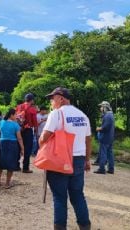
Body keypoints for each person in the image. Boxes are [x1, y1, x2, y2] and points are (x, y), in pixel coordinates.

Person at [39, 87, 92, 230]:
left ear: (61, 98)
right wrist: (87, 160)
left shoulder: (56, 114)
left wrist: (41, 144)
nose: (51, 101)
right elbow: (88, 140)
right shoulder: (82, 115)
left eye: (52, 98)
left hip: (60, 161)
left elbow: (44, 137)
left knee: (59, 197)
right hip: (79, 160)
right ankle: (85, 226)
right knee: (78, 195)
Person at [0, 108, 24, 188]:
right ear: (11, 115)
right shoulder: (15, 125)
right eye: (15, 114)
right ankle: (7, 183)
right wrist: (22, 148)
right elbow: (19, 138)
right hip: (12, 144)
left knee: (0, 162)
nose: (16, 116)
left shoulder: (1, 122)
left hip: (2, 143)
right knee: (11, 164)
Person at [16, 93, 38, 173]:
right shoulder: (32, 109)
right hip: (28, 131)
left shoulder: (19, 107)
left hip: (19, 130)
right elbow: (35, 122)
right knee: (27, 149)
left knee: (18, 147)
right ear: (31, 100)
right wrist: (36, 131)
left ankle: (16, 166)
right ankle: (25, 168)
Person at [94, 101, 115, 175]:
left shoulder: (107, 116)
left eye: (101, 107)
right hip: (110, 137)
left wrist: (99, 128)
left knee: (103, 153)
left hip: (105, 137)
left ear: (105, 107)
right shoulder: (110, 115)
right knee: (110, 153)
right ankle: (111, 169)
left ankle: (102, 168)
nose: (100, 108)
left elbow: (105, 127)